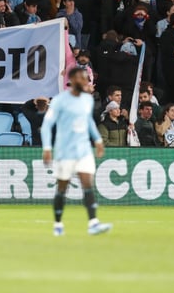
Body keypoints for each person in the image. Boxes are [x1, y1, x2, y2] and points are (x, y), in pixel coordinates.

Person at [41, 67, 112, 237]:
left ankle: (93, 223)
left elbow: (88, 121)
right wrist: (47, 148)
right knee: (62, 188)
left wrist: (98, 140)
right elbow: (47, 125)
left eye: (86, 78)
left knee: (87, 184)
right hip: (64, 151)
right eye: (81, 78)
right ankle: (58, 224)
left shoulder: (87, 100)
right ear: (72, 80)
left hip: (83, 150)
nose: (85, 81)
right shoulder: (59, 101)